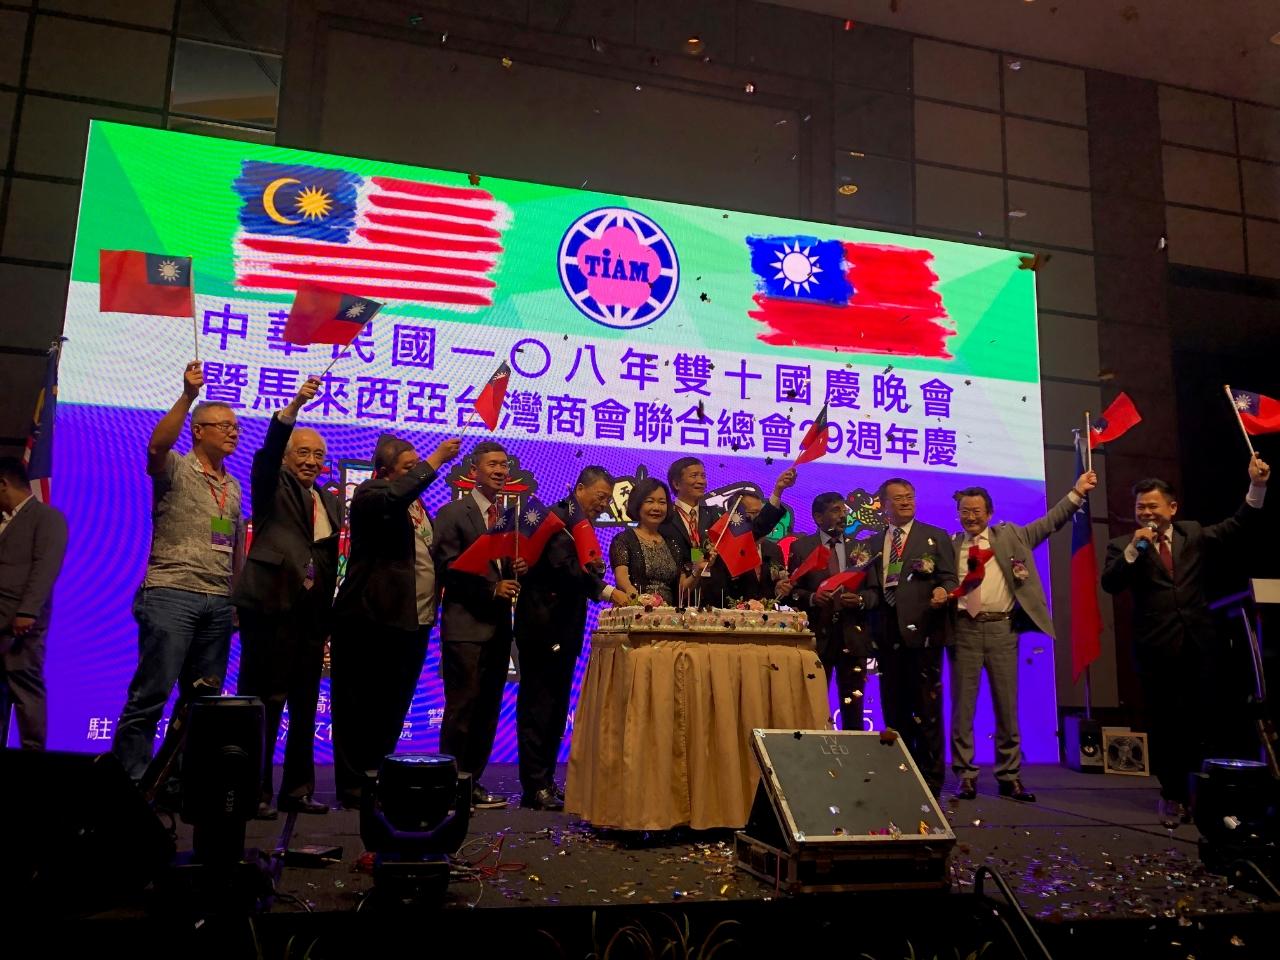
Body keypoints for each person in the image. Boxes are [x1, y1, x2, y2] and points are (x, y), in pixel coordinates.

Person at [1102, 454, 1270, 822]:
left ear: (1172, 507)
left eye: (1152, 505)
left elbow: (1235, 528)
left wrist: (1256, 486)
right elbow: (1111, 583)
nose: (1145, 512)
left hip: (1199, 645)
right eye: (1139, 507)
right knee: (1166, 724)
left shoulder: (1190, 533)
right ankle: (1172, 793)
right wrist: (1136, 548)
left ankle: (1201, 792)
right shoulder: (1122, 545)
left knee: (1202, 721)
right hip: (1155, 648)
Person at [114, 362, 242, 782]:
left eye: (235, 426)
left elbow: (234, 546)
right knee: (152, 693)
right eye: (222, 425)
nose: (232, 432)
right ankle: (129, 780)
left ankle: (177, 780)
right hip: (171, 592)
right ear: (198, 431)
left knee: (202, 702)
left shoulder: (233, 485)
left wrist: (233, 598)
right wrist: (188, 396)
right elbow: (155, 447)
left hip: (218, 601)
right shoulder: (176, 468)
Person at [948, 469, 1098, 804]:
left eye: (976, 512)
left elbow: (1049, 523)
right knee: (962, 709)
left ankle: (1009, 776)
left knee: (1006, 706)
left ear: (989, 513)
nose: (970, 517)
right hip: (963, 631)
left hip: (1002, 629)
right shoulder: (948, 546)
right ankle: (966, 775)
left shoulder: (1010, 537)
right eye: (964, 512)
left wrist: (1076, 493)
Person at [329, 432, 461, 811]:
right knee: (358, 706)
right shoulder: (371, 495)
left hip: (413, 621)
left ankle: (375, 777)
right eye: (409, 467)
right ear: (385, 470)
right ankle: (353, 786)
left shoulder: (418, 508)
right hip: (369, 619)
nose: (417, 473)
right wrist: (435, 459)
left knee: (392, 706)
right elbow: (394, 495)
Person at [232, 376, 340, 818]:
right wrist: (294, 404)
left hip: (312, 617)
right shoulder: (271, 485)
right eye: (303, 453)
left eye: (318, 455)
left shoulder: (331, 503)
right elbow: (269, 452)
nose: (311, 462)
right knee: (265, 701)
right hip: (271, 607)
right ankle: (253, 791)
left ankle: (296, 790)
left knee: (303, 703)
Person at [514, 466, 629, 811]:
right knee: (538, 707)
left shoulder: (581, 524)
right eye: (599, 497)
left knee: (555, 708)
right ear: (579, 488)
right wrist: (608, 591)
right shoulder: (556, 520)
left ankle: (546, 781)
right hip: (542, 627)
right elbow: (565, 570)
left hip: (565, 627)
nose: (603, 504)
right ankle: (534, 786)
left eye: (608, 499)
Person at [433, 441, 526, 809]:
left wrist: (518, 568)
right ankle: (447, 784)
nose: (501, 471)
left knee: (488, 710)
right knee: (463, 709)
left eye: (505, 465)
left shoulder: (507, 519)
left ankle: (472, 782)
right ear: (474, 471)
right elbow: (448, 568)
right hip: (465, 626)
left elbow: (502, 567)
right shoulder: (454, 513)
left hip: (500, 627)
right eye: (493, 464)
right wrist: (492, 588)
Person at [863, 477, 957, 796]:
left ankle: (932, 778)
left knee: (927, 708)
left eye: (910, 497)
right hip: (887, 632)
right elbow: (875, 589)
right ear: (884, 506)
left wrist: (944, 590)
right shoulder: (874, 544)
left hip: (925, 632)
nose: (906, 502)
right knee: (894, 706)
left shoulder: (935, 536)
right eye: (898, 499)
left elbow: (949, 577)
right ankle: (900, 770)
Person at [788, 492, 877, 729]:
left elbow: (874, 593)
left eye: (844, 510)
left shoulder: (862, 547)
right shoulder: (802, 547)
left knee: (854, 708)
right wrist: (812, 598)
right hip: (817, 638)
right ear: (818, 517)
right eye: (836, 510)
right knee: (813, 705)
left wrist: (859, 599)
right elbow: (791, 592)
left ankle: (855, 760)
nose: (843, 515)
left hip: (853, 637)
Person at [0, 457, 68, 750]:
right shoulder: (4, 520)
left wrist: (27, 611)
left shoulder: (46, 517)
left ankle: (33, 753)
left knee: (25, 689)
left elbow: (46, 567)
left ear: (3, 484)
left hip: (21, 622)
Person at [660, 457, 795, 598]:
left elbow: (753, 532)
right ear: (676, 484)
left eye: (703, 476)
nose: (701, 481)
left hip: (716, 599)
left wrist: (778, 491)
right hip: (677, 596)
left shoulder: (717, 514)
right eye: (694, 476)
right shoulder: (665, 518)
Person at [610, 477, 697, 606]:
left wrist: (698, 571)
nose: (657, 508)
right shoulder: (623, 539)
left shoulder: (672, 543)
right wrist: (635, 598)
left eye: (662, 502)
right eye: (650, 501)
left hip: (668, 619)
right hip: (634, 614)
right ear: (637, 504)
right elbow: (622, 578)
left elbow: (682, 591)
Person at [732, 491, 788, 603]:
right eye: (754, 512)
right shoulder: (730, 547)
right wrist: (777, 490)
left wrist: (779, 591)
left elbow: (776, 590)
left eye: (762, 513)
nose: (762, 518)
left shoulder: (774, 550)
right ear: (737, 516)